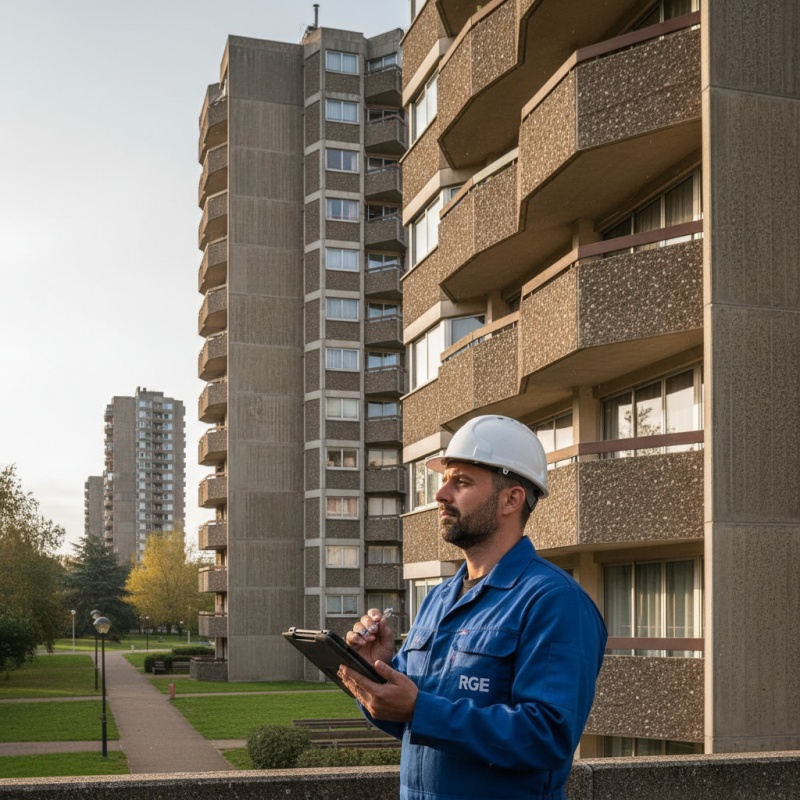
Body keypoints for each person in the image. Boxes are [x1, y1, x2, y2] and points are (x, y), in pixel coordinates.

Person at [339, 414, 607, 800]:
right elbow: (413, 720)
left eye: (460, 482)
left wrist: (421, 709)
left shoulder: (553, 600)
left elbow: (547, 736)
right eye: (444, 480)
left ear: (511, 499)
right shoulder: (439, 598)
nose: (440, 495)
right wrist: (376, 672)